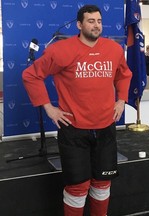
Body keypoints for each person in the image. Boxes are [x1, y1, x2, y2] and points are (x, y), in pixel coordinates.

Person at [22, 5, 132, 216]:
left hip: (105, 129)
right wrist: (49, 108)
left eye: (99, 21)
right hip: (74, 131)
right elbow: (31, 75)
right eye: (91, 21)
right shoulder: (60, 50)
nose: (96, 25)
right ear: (80, 25)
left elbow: (124, 74)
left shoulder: (114, 49)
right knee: (77, 188)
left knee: (102, 185)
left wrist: (122, 100)